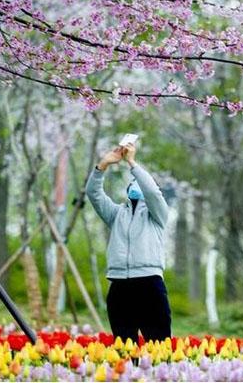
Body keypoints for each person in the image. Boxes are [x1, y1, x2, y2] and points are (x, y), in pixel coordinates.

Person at [85, 142, 171, 344]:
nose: (136, 184)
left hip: (149, 283)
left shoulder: (157, 214)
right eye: (132, 181)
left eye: (138, 180)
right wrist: (103, 165)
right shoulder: (116, 214)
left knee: (158, 346)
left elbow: (152, 193)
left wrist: (132, 162)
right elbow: (94, 195)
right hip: (119, 286)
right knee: (124, 347)